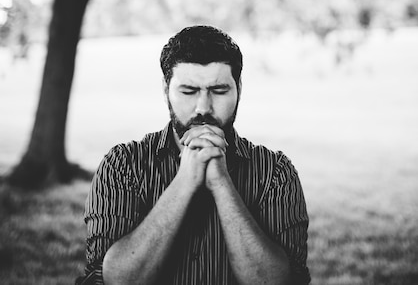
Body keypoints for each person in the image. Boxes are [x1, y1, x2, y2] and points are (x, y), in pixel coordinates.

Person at [77, 25, 310, 284]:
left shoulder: (275, 172)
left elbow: (282, 281)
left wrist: (221, 184)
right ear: (166, 89)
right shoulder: (122, 165)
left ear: (239, 89)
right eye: (188, 91)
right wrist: (184, 182)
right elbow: (113, 281)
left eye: (219, 91)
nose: (203, 107)